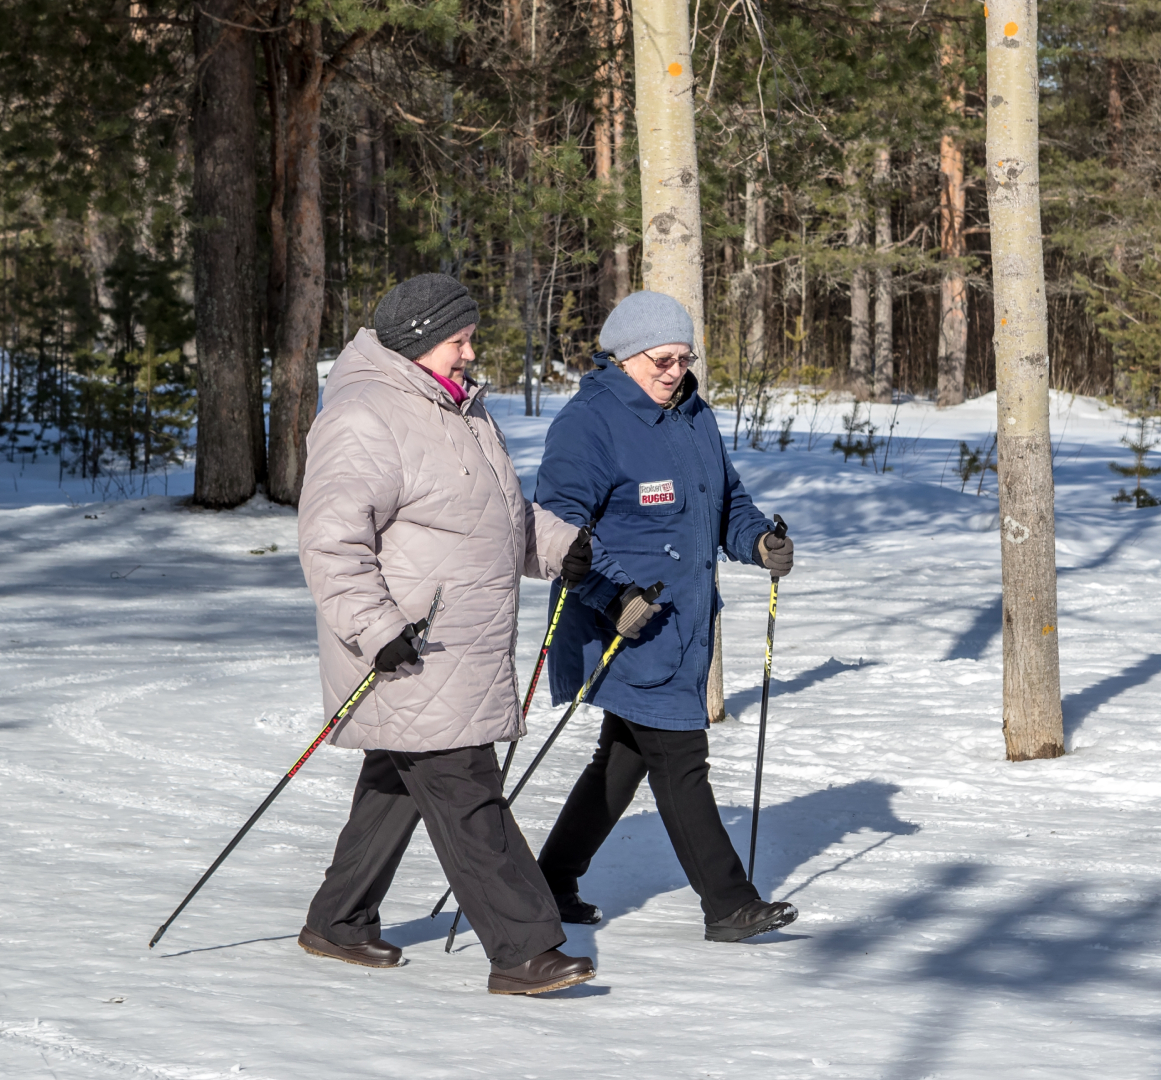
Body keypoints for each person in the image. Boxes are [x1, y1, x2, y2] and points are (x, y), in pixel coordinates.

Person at [295, 272, 600, 995]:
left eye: (469, 338)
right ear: (413, 343)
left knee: (396, 784)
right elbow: (331, 543)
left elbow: (490, 514)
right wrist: (376, 630)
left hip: (458, 641)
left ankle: (338, 920)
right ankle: (525, 949)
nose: (469, 352)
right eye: (457, 340)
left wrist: (555, 546)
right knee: (467, 793)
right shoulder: (365, 416)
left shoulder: (455, 408)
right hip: (410, 649)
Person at [533, 290, 799, 943]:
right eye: (660, 360)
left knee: (623, 757)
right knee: (681, 756)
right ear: (622, 356)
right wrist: (611, 595)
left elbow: (726, 500)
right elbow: (556, 531)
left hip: (683, 626)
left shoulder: (692, 415)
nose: (674, 371)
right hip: (621, 626)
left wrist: (759, 540)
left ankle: (547, 884)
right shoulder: (589, 423)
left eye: (683, 359)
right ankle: (729, 903)